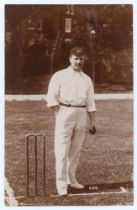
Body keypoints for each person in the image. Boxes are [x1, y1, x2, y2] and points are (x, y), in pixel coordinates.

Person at [46, 47, 96, 196]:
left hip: (81, 113)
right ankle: (61, 186)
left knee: (75, 150)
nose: (78, 61)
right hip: (65, 112)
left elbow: (91, 102)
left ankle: (71, 180)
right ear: (70, 58)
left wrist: (92, 122)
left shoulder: (86, 79)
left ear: (84, 60)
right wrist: (59, 113)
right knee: (62, 149)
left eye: (81, 59)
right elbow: (51, 97)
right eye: (76, 58)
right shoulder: (59, 75)